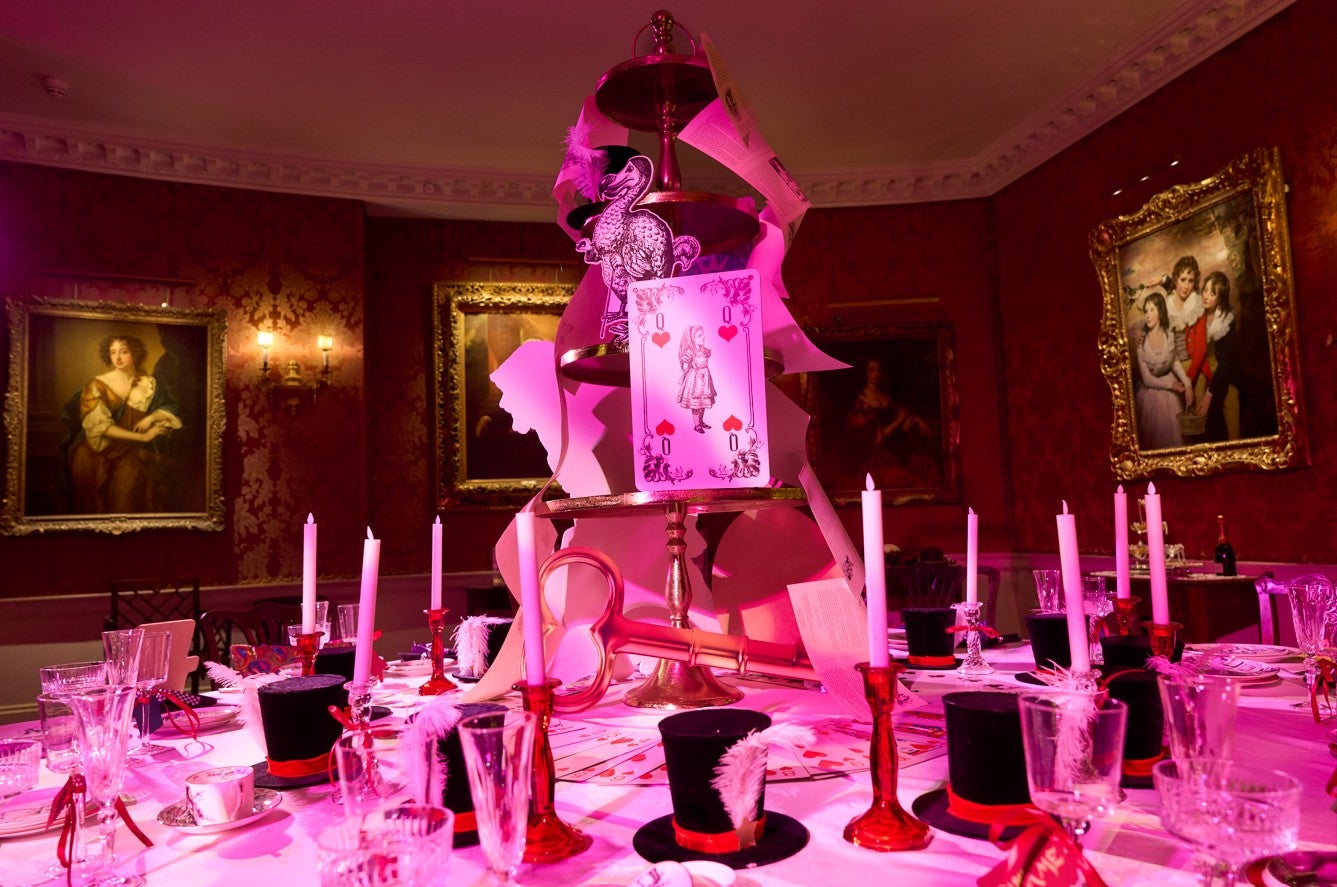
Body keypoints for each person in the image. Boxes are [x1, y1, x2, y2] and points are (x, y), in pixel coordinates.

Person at [65, 334, 182, 513]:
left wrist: (151, 418)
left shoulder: (150, 383)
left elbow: (171, 406)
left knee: (126, 498)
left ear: (134, 354)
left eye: (123, 352)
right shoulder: (98, 384)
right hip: (98, 450)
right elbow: (101, 427)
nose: (117, 357)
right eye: (113, 352)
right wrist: (143, 437)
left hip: (131, 449)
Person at [843, 356, 937, 489]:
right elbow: (877, 438)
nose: (876, 373)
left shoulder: (887, 397)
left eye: (879, 370)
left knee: (927, 464)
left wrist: (917, 421)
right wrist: (900, 420)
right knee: (914, 481)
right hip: (876, 459)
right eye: (872, 370)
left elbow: (903, 425)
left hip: (894, 452)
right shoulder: (861, 403)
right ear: (865, 373)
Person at [1134, 292, 1193, 449]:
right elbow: (1147, 379)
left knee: (1175, 440)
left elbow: (1174, 361)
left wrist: (1187, 384)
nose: (1148, 315)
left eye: (1152, 309)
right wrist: (1172, 385)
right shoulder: (1141, 341)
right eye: (1146, 311)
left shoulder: (1168, 335)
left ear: (1160, 311)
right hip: (1151, 394)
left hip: (1170, 395)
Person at [1194, 270, 1240, 442]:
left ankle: (1236, 447)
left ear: (1220, 298)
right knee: (1198, 413)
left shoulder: (1227, 319)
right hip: (1203, 370)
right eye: (1205, 290)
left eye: (1212, 293)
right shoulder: (1196, 313)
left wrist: (1210, 393)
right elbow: (1174, 290)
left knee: (1231, 401)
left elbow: (1226, 362)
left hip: (1224, 372)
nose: (1205, 296)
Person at [1162, 255, 1208, 393]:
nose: (1186, 286)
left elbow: (1200, 349)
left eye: (1191, 281)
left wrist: (1188, 380)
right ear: (1175, 279)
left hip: (1194, 366)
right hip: (1172, 365)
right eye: (1183, 280)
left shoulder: (1197, 305)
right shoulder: (1166, 304)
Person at [676, 325, 716, 433]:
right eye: (699, 335)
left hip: (705, 379)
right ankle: (697, 425)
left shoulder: (704, 351)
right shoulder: (690, 352)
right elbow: (685, 367)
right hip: (695, 380)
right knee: (696, 403)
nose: (703, 337)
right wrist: (688, 365)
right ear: (692, 339)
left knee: (703, 402)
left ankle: (701, 421)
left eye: (703, 335)